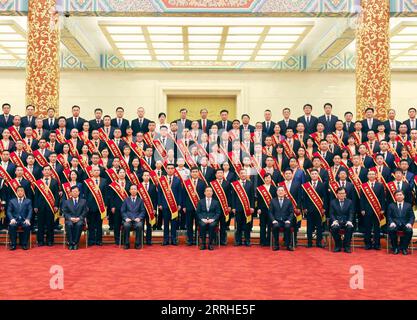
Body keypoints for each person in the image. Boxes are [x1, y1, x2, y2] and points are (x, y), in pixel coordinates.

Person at [387, 190, 415, 255]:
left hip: (405, 224)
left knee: (409, 231)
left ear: (403, 196)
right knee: (391, 230)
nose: (399, 196)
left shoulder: (408, 205)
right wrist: (391, 222)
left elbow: (412, 217)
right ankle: (395, 248)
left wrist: (410, 223)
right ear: (395, 197)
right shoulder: (391, 205)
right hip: (395, 224)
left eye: (400, 195)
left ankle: (404, 248)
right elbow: (389, 216)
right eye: (397, 195)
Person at [231, 169, 255, 246]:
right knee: (239, 225)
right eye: (241, 173)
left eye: (244, 173)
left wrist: (252, 207)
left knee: (247, 225)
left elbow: (252, 197)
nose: (243, 175)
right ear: (239, 175)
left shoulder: (250, 184)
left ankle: (247, 240)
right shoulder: (235, 184)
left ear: (246, 174)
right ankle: (238, 241)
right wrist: (233, 207)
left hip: (247, 208)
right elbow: (233, 197)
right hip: (238, 208)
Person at [61, 186, 87, 250]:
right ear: (70, 193)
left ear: (79, 192)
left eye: (76, 191)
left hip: (79, 219)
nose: (75, 193)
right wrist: (70, 218)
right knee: (69, 224)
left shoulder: (83, 201)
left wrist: (79, 218)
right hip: (70, 219)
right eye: (73, 191)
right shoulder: (66, 202)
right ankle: (70, 243)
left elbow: (85, 211)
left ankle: (75, 243)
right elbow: (65, 212)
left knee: (79, 224)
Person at [329, 187, 354, 253]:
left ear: (345, 194)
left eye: (343, 193)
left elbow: (351, 213)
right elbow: (331, 214)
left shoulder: (349, 202)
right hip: (337, 221)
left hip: (346, 221)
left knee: (349, 228)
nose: (342, 195)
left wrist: (349, 221)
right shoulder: (333, 202)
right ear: (337, 194)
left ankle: (347, 246)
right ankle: (338, 245)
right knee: (334, 228)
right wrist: (334, 221)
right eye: (340, 193)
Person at [268, 186, 294, 251]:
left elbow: (291, 213)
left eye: (282, 190)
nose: (280, 192)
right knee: (275, 226)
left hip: (286, 221)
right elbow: (270, 212)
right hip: (276, 221)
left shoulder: (288, 201)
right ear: (277, 192)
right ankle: (276, 245)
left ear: (284, 192)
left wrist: (289, 220)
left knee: (288, 227)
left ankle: (288, 245)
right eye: (279, 190)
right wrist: (273, 220)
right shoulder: (273, 201)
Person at [121, 185, 146, 249]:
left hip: (137, 220)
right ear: (129, 191)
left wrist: (139, 218)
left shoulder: (140, 200)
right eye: (132, 189)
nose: (133, 190)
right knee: (126, 225)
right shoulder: (126, 200)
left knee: (139, 225)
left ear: (137, 191)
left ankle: (137, 244)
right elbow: (123, 211)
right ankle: (126, 244)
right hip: (128, 220)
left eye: (135, 189)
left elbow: (143, 211)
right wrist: (126, 218)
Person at [7, 186, 32, 250]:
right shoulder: (12, 201)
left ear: (24, 192)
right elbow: (9, 211)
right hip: (15, 220)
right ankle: (13, 244)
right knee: (11, 226)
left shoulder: (28, 201)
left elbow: (30, 211)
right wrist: (12, 219)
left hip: (24, 220)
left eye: (21, 191)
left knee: (27, 226)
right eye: (19, 191)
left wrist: (28, 219)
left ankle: (24, 244)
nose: (20, 192)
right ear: (16, 192)